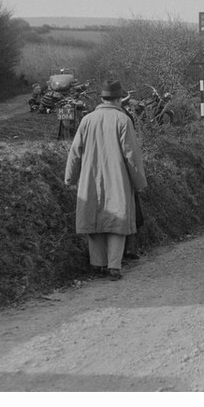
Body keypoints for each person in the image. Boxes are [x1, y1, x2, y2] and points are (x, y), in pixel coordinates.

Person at [64, 80, 148, 280]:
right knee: (117, 222)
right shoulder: (123, 120)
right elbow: (132, 155)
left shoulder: (87, 120)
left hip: (90, 178)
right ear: (119, 99)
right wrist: (140, 182)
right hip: (117, 179)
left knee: (94, 220)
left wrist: (70, 178)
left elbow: (75, 151)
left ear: (101, 99)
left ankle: (97, 263)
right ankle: (114, 266)